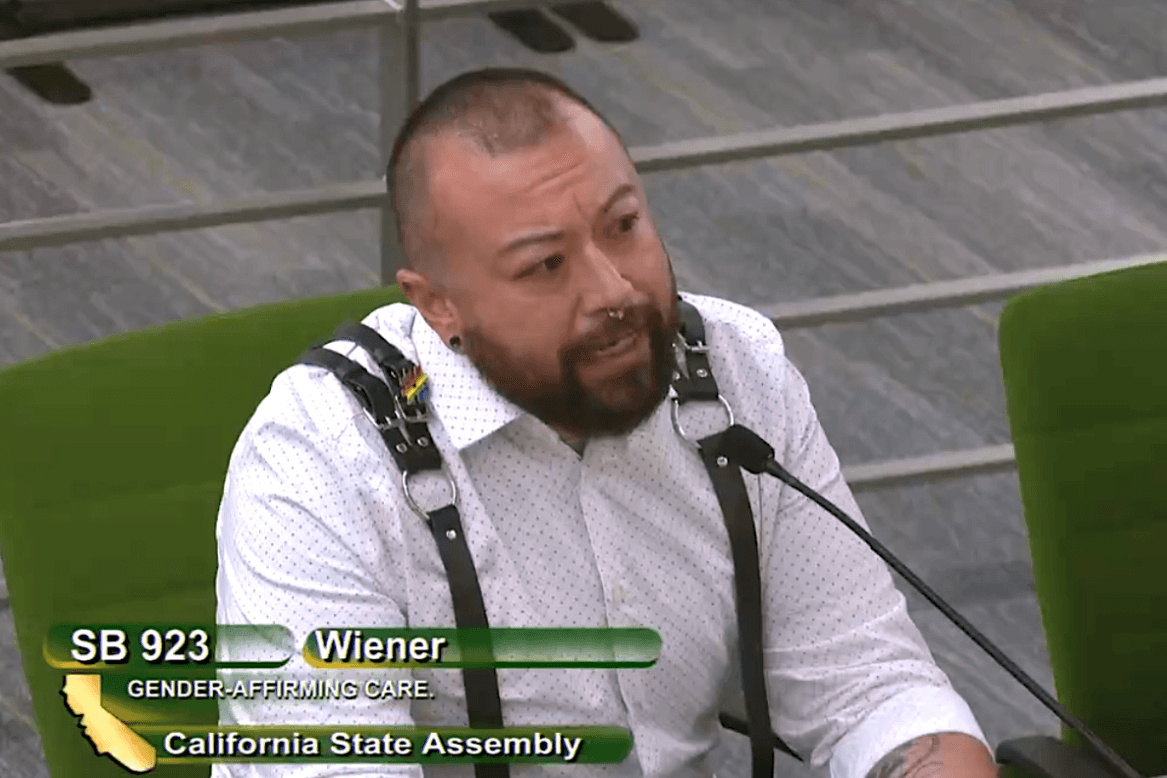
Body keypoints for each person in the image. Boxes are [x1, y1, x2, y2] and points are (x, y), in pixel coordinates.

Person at [213, 67, 997, 778]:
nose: (613, 289)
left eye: (623, 225)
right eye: (545, 266)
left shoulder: (733, 372)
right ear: (439, 305)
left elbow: (869, 689)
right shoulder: (320, 462)